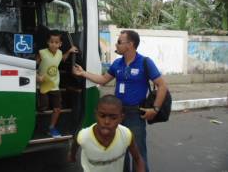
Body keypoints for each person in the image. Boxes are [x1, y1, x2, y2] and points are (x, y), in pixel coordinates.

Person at [72, 30, 168, 172]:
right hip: (117, 114)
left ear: (130, 44)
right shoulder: (117, 63)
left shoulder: (145, 62)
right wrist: (83, 73)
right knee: (120, 152)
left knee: (138, 152)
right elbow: (103, 80)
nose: (116, 44)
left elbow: (162, 85)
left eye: (119, 42)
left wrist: (155, 109)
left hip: (136, 114)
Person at [67, 94, 145, 172]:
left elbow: (138, 159)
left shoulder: (126, 135)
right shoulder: (83, 136)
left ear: (121, 118)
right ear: (96, 115)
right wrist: (72, 155)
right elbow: (75, 144)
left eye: (113, 118)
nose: (107, 122)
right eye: (102, 116)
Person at [36, 29, 78, 138]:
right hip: (43, 85)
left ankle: (51, 127)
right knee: (43, 107)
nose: (53, 44)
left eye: (56, 42)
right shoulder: (42, 53)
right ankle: (39, 123)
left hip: (55, 86)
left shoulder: (59, 53)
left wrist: (69, 51)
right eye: (51, 42)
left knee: (57, 108)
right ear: (47, 42)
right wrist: (37, 77)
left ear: (60, 44)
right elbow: (33, 66)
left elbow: (63, 58)